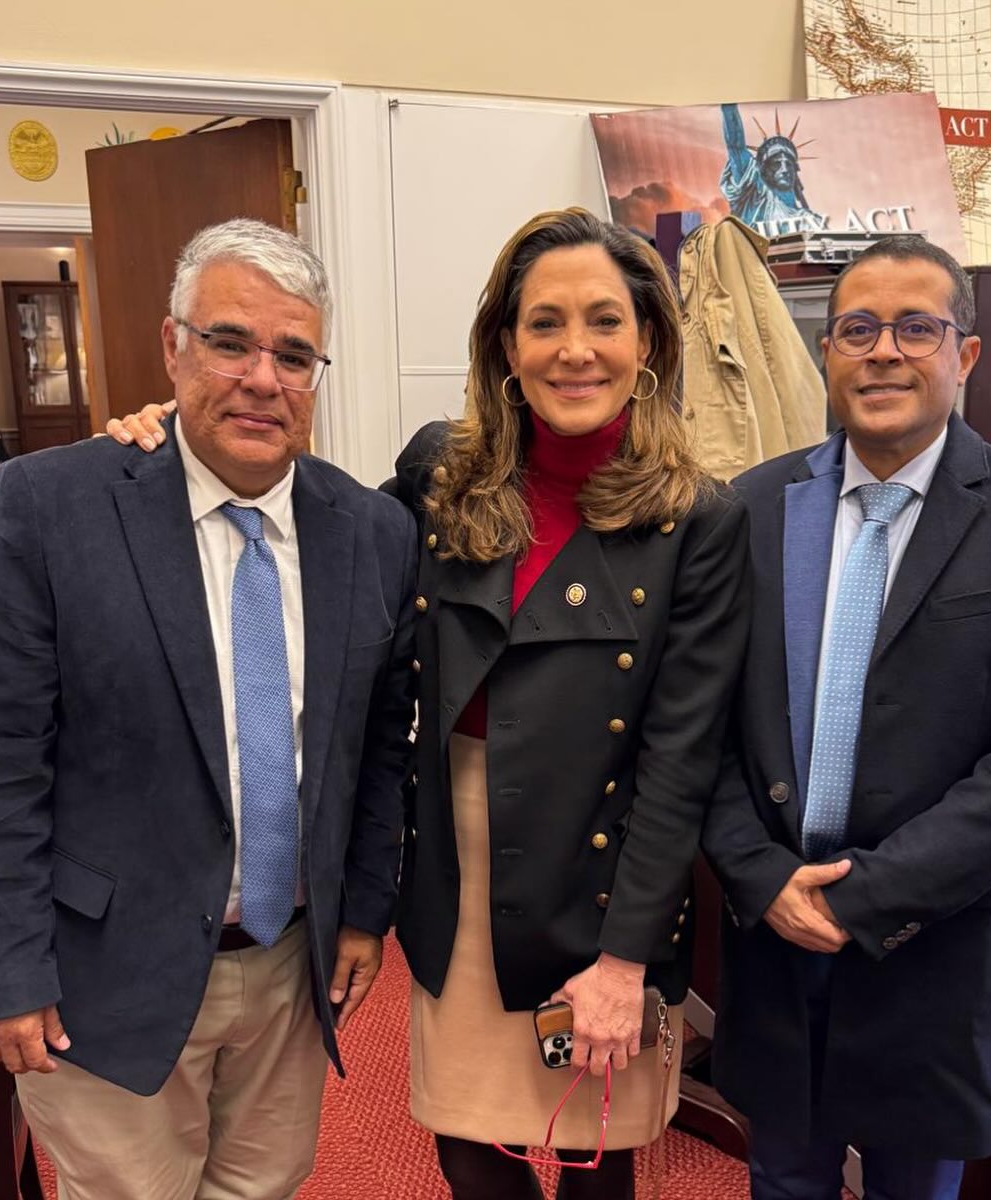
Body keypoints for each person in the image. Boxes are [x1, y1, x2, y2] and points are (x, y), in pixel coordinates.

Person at [114, 207, 752, 1200]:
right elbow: (306, 527)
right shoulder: (440, 473)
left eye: (604, 321)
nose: (574, 350)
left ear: (648, 343)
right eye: (544, 322)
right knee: (470, 1149)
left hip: (609, 867)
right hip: (458, 859)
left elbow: (681, 757)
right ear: (506, 344)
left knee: (598, 1159)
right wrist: (167, 450)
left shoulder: (697, 517)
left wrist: (625, 961)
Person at [0, 218, 418, 1200]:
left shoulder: (371, 530)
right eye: (229, 342)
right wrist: (4, 970)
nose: (262, 379)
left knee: (265, 1187)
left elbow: (375, 747)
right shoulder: (54, 507)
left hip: (288, 966)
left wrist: (365, 912)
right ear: (173, 345)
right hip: (103, 969)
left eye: (294, 355)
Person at [702, 236, 991, 1200]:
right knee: (782, 1179)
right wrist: (762, 876)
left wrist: (864, 899)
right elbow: (701, 726)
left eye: (916, 328)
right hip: (778, 933)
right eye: (857, 329)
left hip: (941, 941)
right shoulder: (751, 509)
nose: (883, 351)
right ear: (826, 352)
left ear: (965, 354)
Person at [719, 102, 823, 239]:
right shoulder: (754, 194)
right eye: (776, 164)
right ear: (764, 171)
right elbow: (735, 145)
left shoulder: (809, 220)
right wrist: (729, 104)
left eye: (789, 164)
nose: (785, 170)